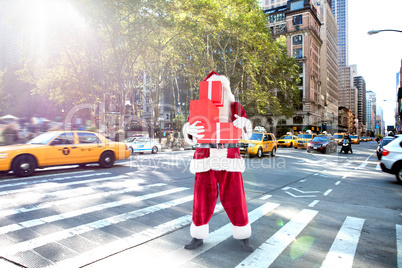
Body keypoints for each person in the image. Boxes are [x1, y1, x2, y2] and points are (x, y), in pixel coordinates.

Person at [182, 71, 254, 252]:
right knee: (201, 200)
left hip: (230, 159)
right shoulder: (200, 107)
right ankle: (197, 236)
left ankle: (243, 235)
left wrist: (244, 125)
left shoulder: (235, 107)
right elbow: (190, 131)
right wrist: (190, 130)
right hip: (205, 159)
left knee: (236, 198)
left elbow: (246, 131)